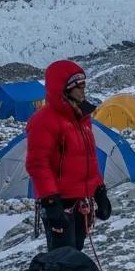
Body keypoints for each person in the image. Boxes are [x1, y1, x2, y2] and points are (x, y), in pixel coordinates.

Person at [26, 60, 111, 251]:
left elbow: (89, 158)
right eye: (77, 86)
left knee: (76, 251)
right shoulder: (44, 121)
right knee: (63, 257)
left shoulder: (82, 118)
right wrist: (50, 201)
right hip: (60, 201)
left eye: (84, 84)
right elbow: (37, 164)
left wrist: (99, 191)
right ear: (63, 89)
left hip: (81, 200)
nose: (83, 90)